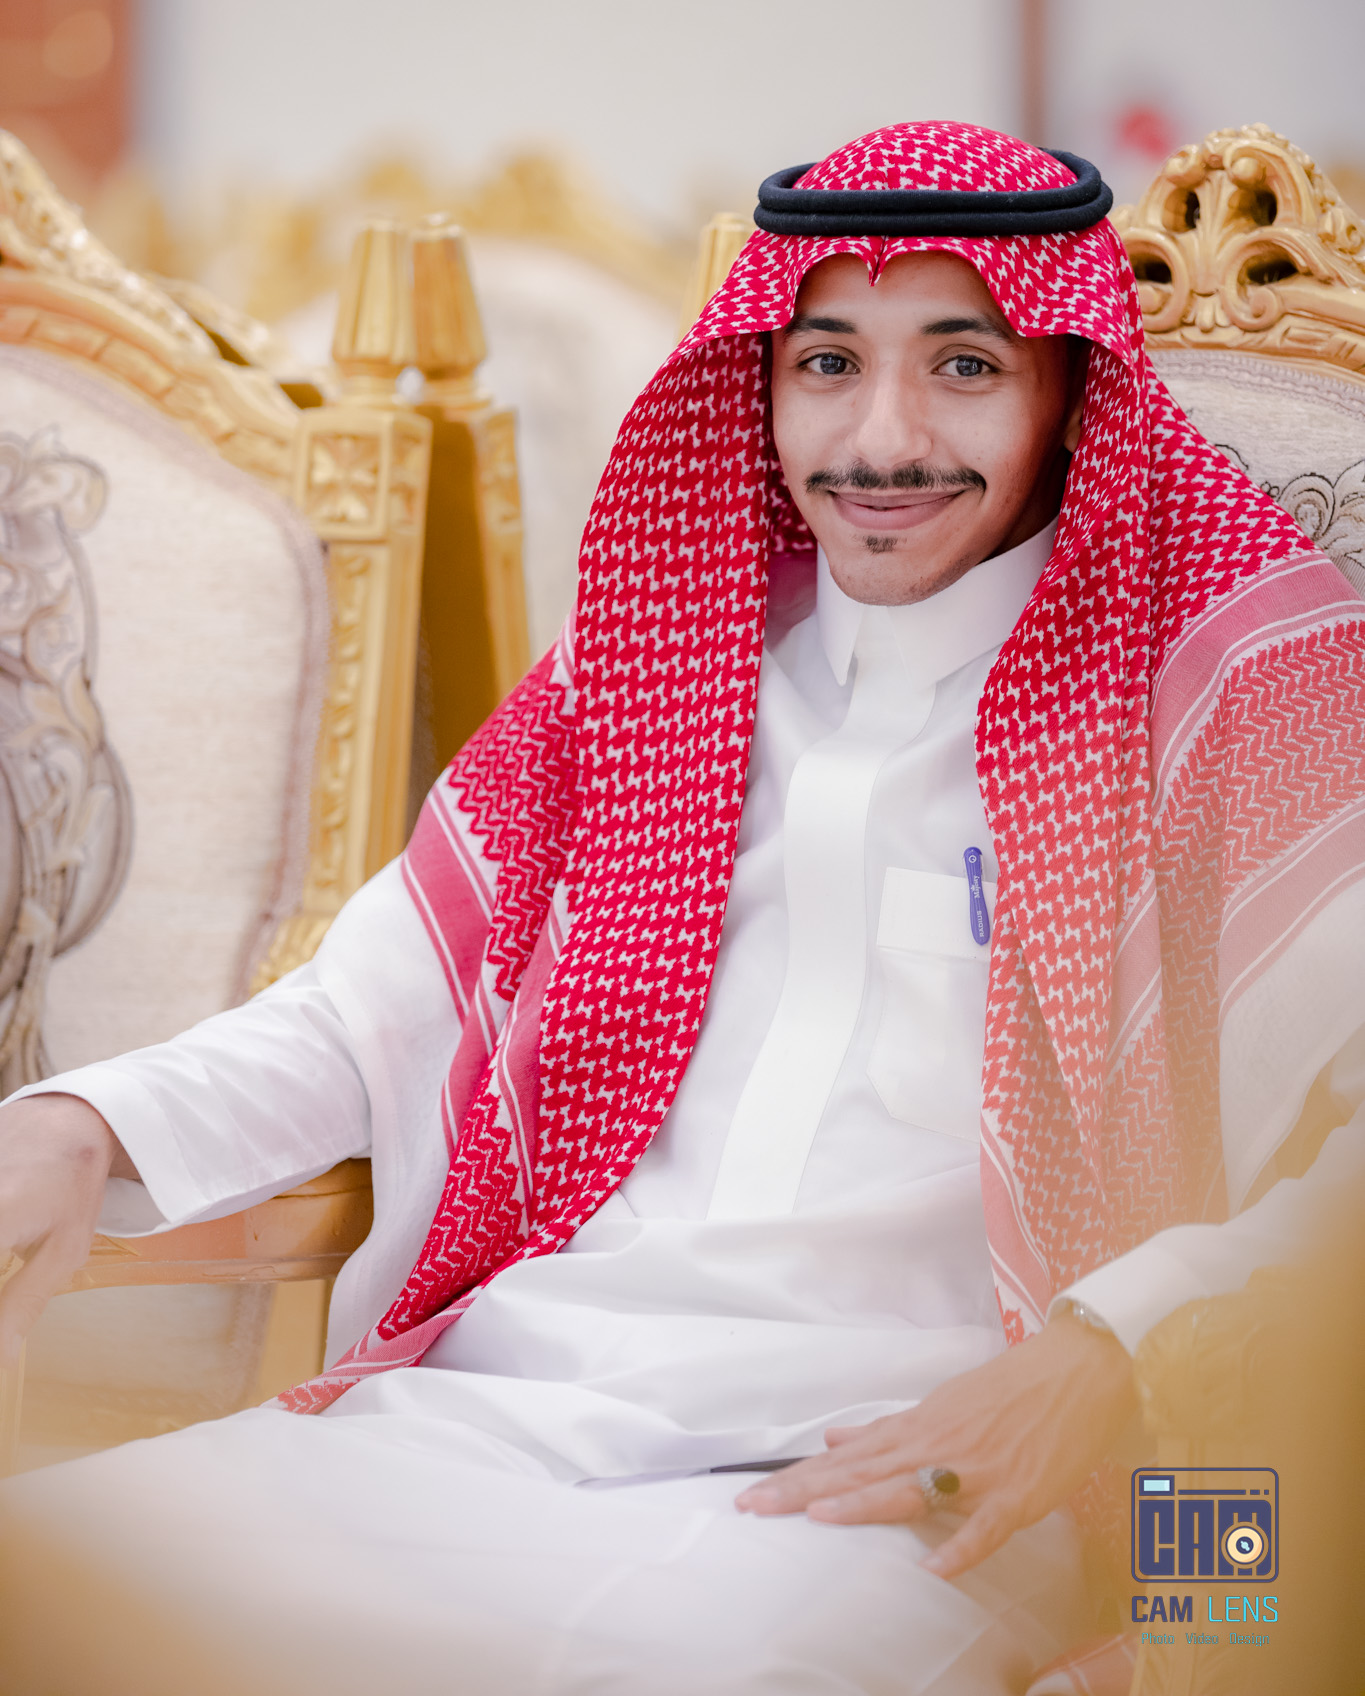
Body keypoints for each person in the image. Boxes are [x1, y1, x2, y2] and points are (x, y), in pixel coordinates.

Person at [1, 121, 1363, 1696]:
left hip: (899, 1491)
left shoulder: (1231, 694)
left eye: (964, 366)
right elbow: (367, 1010)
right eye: (826, 363)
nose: (882, 440)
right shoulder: (664, 666)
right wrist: (82, 1127)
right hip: (484, 1419)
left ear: (1070, 391)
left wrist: (1109, 1350)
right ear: (760, 386)